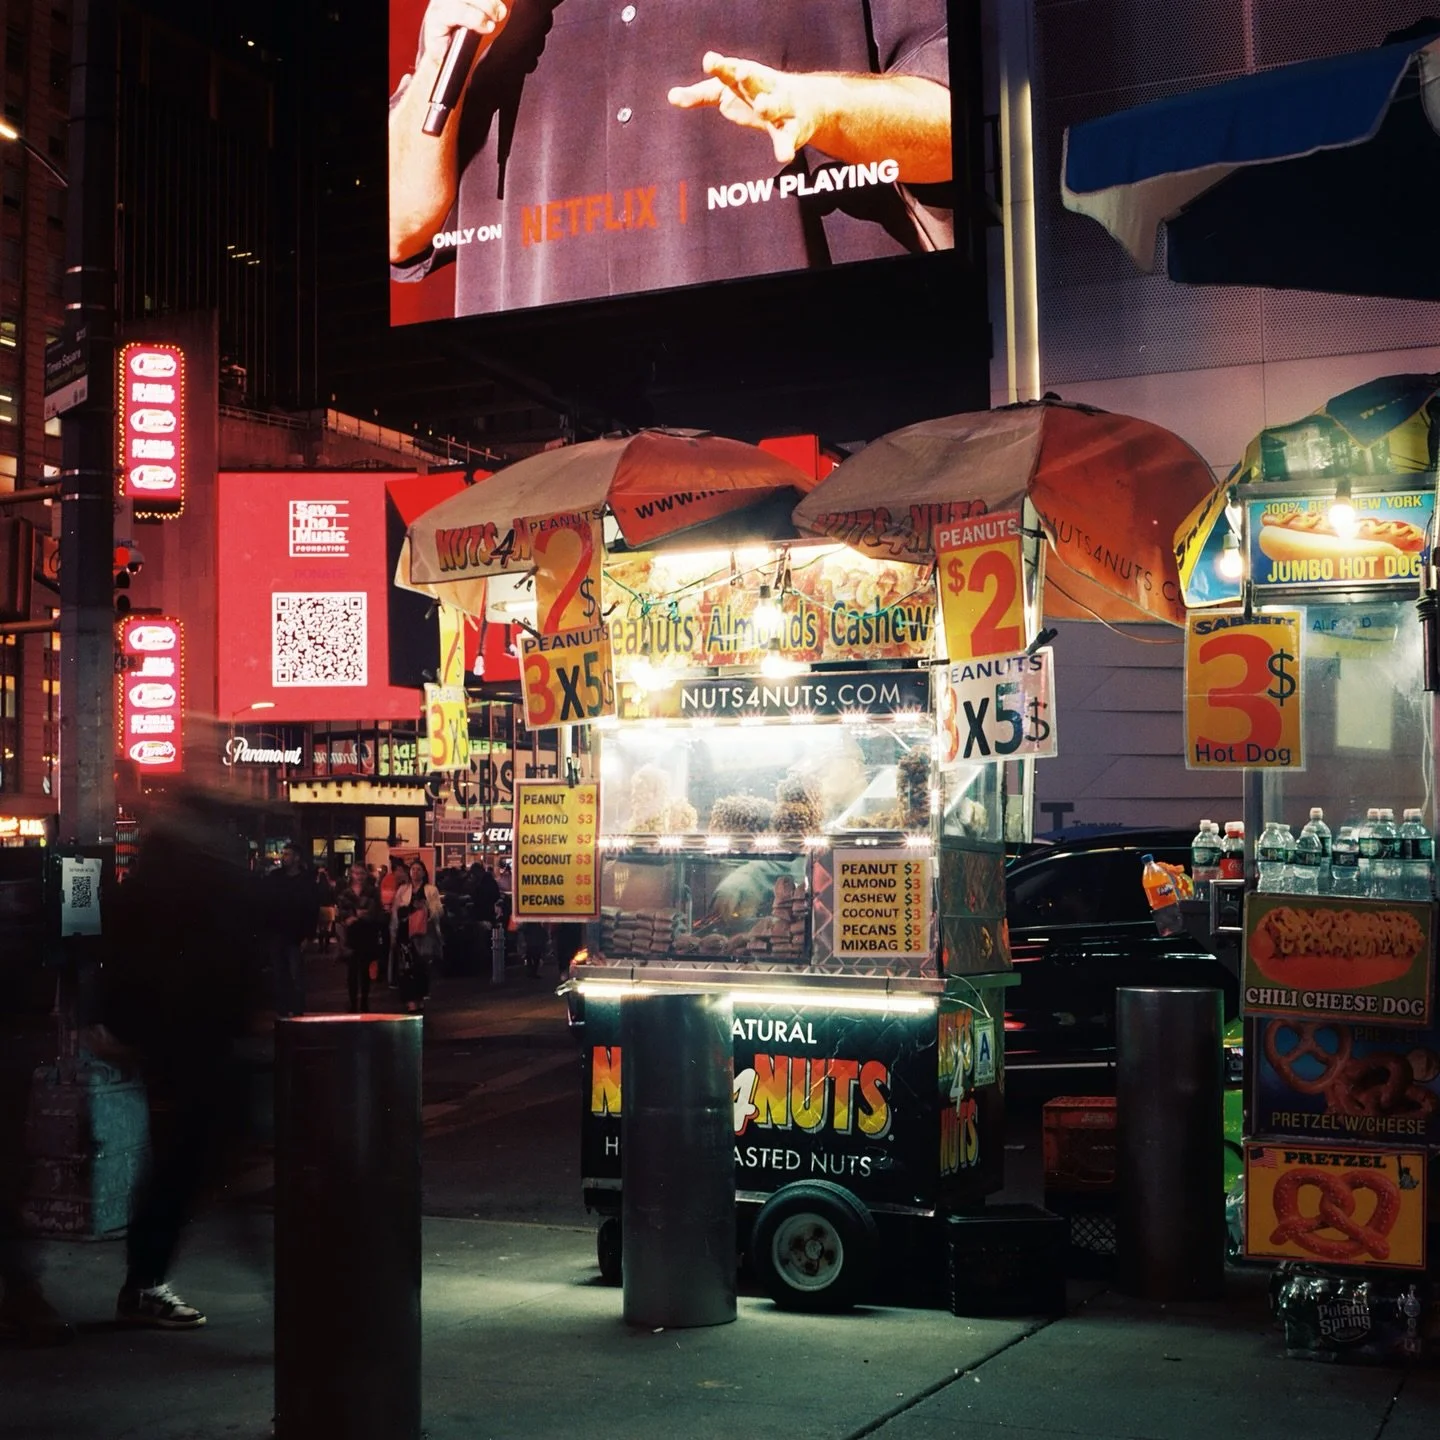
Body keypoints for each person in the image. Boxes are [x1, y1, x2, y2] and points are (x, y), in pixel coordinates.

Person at [388, 0, 953, 317]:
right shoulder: (485, 15)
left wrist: (826, 108)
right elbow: (399, 229)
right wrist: (439, 56)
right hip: (565, 466)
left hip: (819, 432)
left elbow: (954, 121)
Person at [101, 795, 266, 1330]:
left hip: (195, 1040)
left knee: (195, 1166)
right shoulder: (185, 875)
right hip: (192, 1041)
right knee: (194, 1166)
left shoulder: (177, 872)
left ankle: (148, 1282)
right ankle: (148, 1284)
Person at [262, 844, 319, 1018]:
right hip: (278, 932)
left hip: (295, 934)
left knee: (295, 976)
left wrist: (308, 935)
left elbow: (311, 909)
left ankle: (296, 1009)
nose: (284, 857)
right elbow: (267, 904)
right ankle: (283, 1008)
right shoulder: (276, 877)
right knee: (280, 974)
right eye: (284, 854)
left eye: (288, 854)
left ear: (297, 857)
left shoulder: (305, 880)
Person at [391, 861, 443, 1014]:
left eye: (418, 869)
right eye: (413, 869)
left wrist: (426, 908)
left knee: (421, 967)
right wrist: (393, 931)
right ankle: (410, 1000)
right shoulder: (403, 890)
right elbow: (395, 912)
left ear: (424, 872)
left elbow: (438, 911)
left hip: (423, 933)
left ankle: (420, 997)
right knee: (407, 967)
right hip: (405, 933)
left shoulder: (430, 890)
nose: (415, 872)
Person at [335, 864, 384, 1013]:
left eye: (362, 873)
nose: (359, 876)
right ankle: (353, 1001)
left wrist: (355, 915)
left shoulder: (372, 891)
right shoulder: (345, 893)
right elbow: (342, 914)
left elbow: (375, 911)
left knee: (364, 970)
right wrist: (355, 915)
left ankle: (364, 1001)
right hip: (352, 935)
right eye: (356, 873)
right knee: (352, 971)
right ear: (352, 874)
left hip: (368, 933)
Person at [315, 865, 338, 954]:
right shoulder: (330, 886)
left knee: (320, 929)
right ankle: (326, 946)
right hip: (329, 908)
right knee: (328, 928)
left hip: (320, 908)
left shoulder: (317, 887)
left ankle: (320, 946)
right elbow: (334, 897)